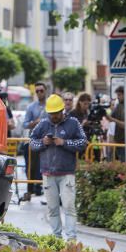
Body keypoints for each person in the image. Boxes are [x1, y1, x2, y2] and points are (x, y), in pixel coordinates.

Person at [30, 93, 88, 242]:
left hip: (67, 173)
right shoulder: (43, 124)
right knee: (52, 209)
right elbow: (31, 142)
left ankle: (71, 240)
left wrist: (65, 143)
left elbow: (83, 143)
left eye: (56, 113)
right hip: (48, 173)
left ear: (62, 110)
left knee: (69, 207)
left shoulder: (73, 123)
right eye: (51, 114)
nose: (54, 117)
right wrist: (43, 143)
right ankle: (56, 239)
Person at [20, 82, 48, 201]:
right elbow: (25, 124)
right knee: (31, 166)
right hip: (35, 140)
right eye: (37, 91)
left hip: (48, 140)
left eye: (41, 90)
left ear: (45, 91)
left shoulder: (51, 105)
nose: (39, 93)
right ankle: (30, 190)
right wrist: (34, 122)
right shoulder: (31, 107)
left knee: (48, 166)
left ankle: (45, 190)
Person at [109, 85, 126, 159]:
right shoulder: (118, 106)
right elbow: (110, 118)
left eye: (119, 95)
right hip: (117, 141)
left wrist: (112, 119)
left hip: (125, 142)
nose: (118, 97)